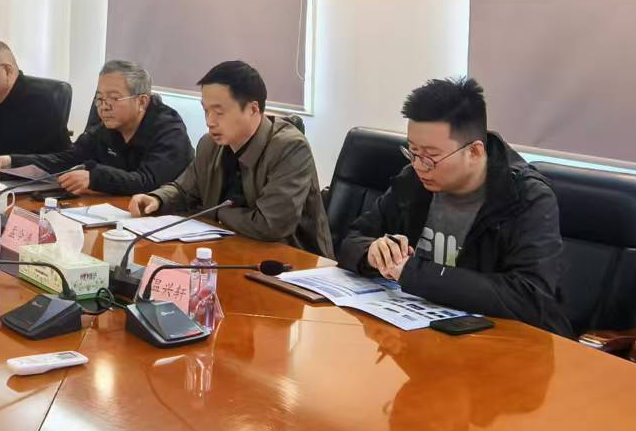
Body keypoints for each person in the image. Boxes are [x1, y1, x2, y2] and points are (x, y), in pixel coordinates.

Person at [335, 76, 571, 335]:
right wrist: (371, 253)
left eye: (431, 156)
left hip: (504, 342)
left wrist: (414, 273)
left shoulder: (526, 198)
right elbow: (351, 239)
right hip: (425, 332)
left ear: (474, 152)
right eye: (412, 152)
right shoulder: (413, 180)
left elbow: (529, 297)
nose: (419, 165)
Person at [128, 60, 330, 256]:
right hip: (228, 248)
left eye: (219, 112)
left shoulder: (290, 148)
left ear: (253, 109)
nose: (210, 121)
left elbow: (270, 226)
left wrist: (215, 212)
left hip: (290, 260)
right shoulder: (209, 144)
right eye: (206, 110)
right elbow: (185, 189)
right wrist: (158, 198)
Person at [0, 59, 190, 195]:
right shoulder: (106, 128)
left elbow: (148, 181)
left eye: (114, 98)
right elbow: (67, 159)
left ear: (142, 101)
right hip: (117, 212)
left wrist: (95, 179)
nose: (104, 106)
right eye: (100, 98)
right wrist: (13, 161)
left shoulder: (169, 130)